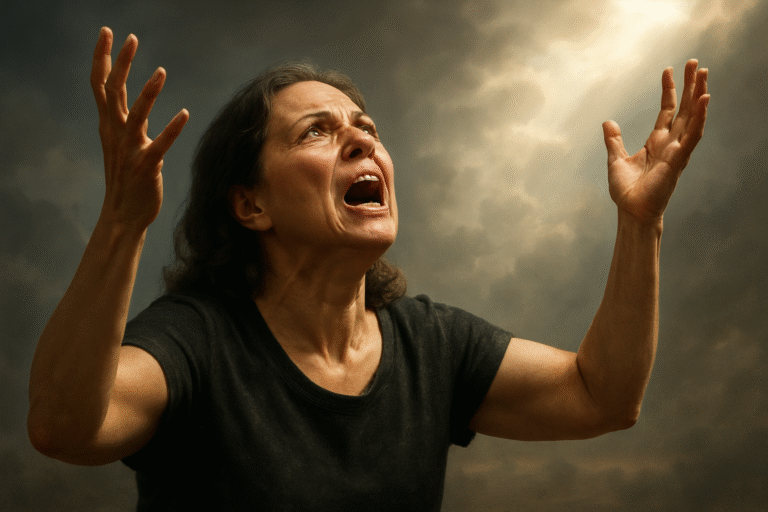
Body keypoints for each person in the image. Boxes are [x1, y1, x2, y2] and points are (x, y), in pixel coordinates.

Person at [27, 26, 709, 510]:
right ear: (251, 204)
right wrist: (122, 222)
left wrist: (639, 223)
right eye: (316, 131)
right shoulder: (196, 339)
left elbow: (603, 396)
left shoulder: (431, 344)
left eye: (367, 128)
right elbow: (64, 427)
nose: (361, 139)